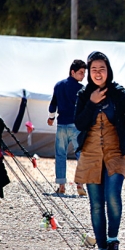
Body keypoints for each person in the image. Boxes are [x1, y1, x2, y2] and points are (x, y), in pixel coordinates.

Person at [74, 51, 125, 250]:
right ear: (89, 72)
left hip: (116, 152)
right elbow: (79, 123)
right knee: (96, 203)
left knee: (112, 195)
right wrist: (92, 102)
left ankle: (112, 239)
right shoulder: (83, 94)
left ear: (108, 71)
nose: (98, 73)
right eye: (94, 69)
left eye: (102, 69)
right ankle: (101, 246)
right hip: (90, 154)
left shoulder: (117, 92)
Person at [48, 59, 87, 196]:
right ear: (73, 72)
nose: (83, 76)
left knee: (60, 155)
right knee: (81, 155)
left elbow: (53, 104)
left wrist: (51, 117)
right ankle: (80, 184)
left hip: (61, 125)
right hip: (76, 126)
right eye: (81, 72)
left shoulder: (59, 85)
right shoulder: (82, 89)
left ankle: (61, 185)